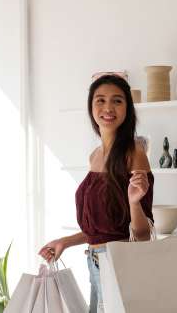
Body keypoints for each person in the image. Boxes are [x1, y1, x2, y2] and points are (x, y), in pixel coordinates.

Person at [38, 74, 154, 312]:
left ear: (127, 109)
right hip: (94, 263)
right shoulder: (94, 156)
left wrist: (134, 202)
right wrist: (66, 242)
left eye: (117, 101)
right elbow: (102, 228)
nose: (108, 108)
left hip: (119, 265)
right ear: (91, 107)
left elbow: (142, 234)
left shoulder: (134, 153)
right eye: (100, 100)